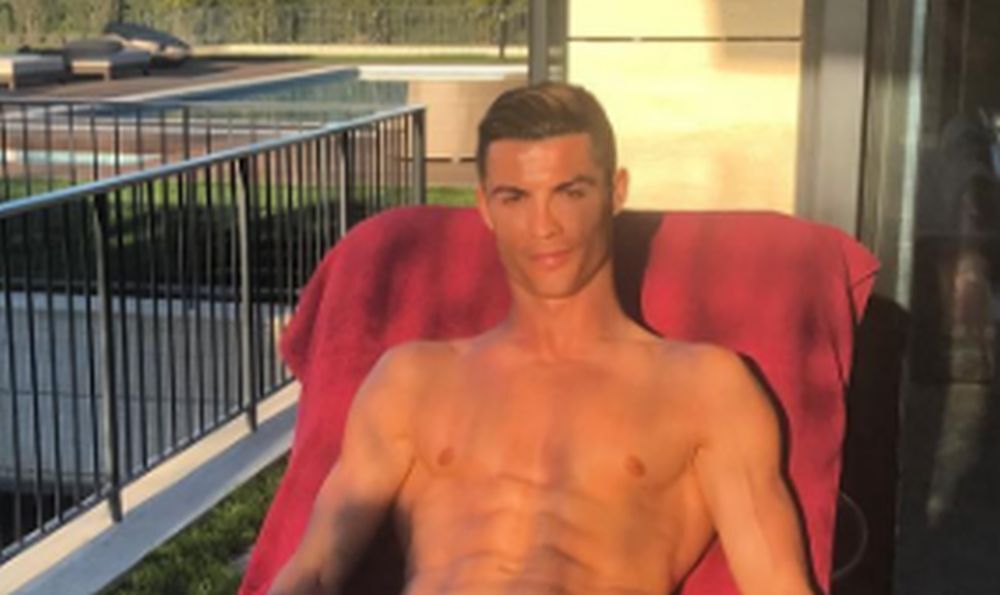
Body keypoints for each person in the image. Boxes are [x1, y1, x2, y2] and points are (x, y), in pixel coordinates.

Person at [269, 82, 819, 595]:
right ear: (485, 207)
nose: (544, 227)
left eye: (569, 192)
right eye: (515, 198)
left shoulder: (703, 387)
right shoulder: (412, 380)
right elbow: (315, 568)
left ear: (615, 191)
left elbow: (778, 585)